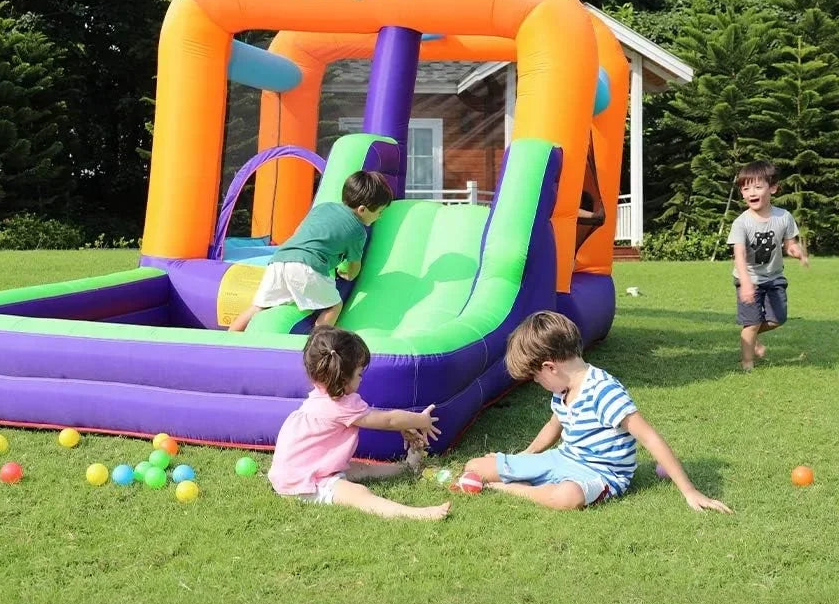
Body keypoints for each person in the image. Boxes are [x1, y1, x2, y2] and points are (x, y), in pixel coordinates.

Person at [462, 311, 733, 513]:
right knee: (475, 467)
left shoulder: (604, 391)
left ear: (550, 367)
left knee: (567, 498)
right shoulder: (563, 389)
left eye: (535, 377)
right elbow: (554, 425)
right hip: (563, 460)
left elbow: (650, 438)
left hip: (600, 474)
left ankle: (513, 489)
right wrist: (525, 456)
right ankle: (531, 481)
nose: (536, 383)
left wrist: (689, 491)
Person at [268, 327, 451, 521]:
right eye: (359, 375)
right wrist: (421, 420)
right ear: (344, 378)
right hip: (304, 483)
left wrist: (402, 425)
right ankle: (419, 514)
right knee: (358, 494)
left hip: (294, 472)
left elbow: (384, 419)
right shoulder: (341, 404)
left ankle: (406, 468)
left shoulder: (322, 395)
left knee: (361, 468)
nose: (362, 379)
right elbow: (388, 420)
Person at [229, 170, 393, 332]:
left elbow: (300, 230)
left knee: (258, 307)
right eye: (379, 212)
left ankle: (229, 339)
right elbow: (353, 268)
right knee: (334, 306)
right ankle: (317, 345)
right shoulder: (358, 231)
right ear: (362, 210)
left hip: (279, 260)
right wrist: (347, 275)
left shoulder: (323, 207)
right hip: (307, 268)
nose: (379, 217)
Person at [727, 160, 808, 372]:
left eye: (757, 187)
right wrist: (745, 283)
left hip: (774, 277)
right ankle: (747, 364)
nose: (751, 192)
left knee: (778, 319)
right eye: (746, 188)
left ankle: (750, 335)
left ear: (772, 188)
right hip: (749, 279)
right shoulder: (741, 223)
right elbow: (739, 254)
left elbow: (789, 243)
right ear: (742, 194)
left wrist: (796, 251)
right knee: (752, 323)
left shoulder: (784, 217)